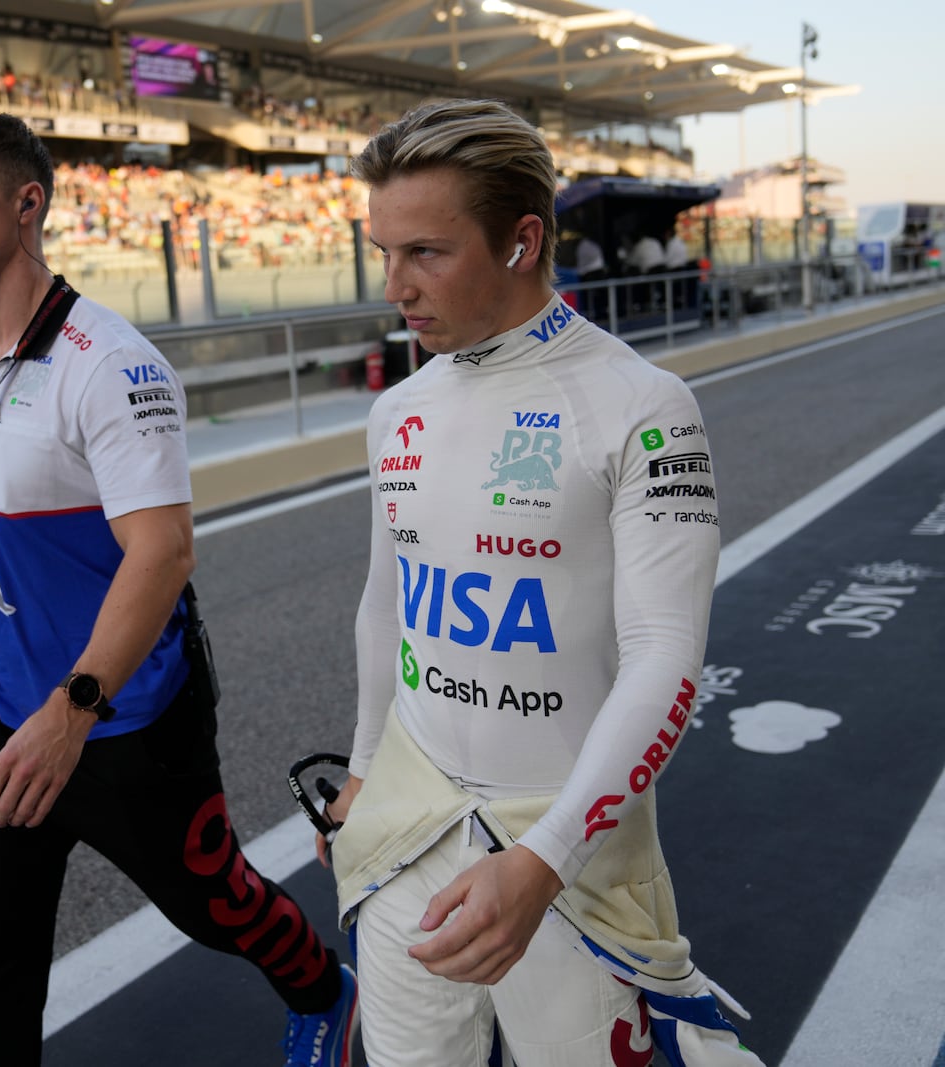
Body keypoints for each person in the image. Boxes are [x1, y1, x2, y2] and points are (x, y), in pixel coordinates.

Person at [322, 99, 762, 1066]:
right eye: (382, 250)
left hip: (567, 849)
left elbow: (666, 661)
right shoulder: (397, 410)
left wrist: (541, 862)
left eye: (426, 253)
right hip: (406, 822)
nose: (394, 285)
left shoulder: (644, 406)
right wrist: (360, 774)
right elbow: (385, 601)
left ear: (524, 241)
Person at [0, 109, 358, 1067]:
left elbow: (161, 553)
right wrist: (27, 706)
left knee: (218, 904)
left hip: (120, 720)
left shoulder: (111, 362)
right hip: (4, 713)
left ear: (27, 203)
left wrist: (72, 710)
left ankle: (324, 988)